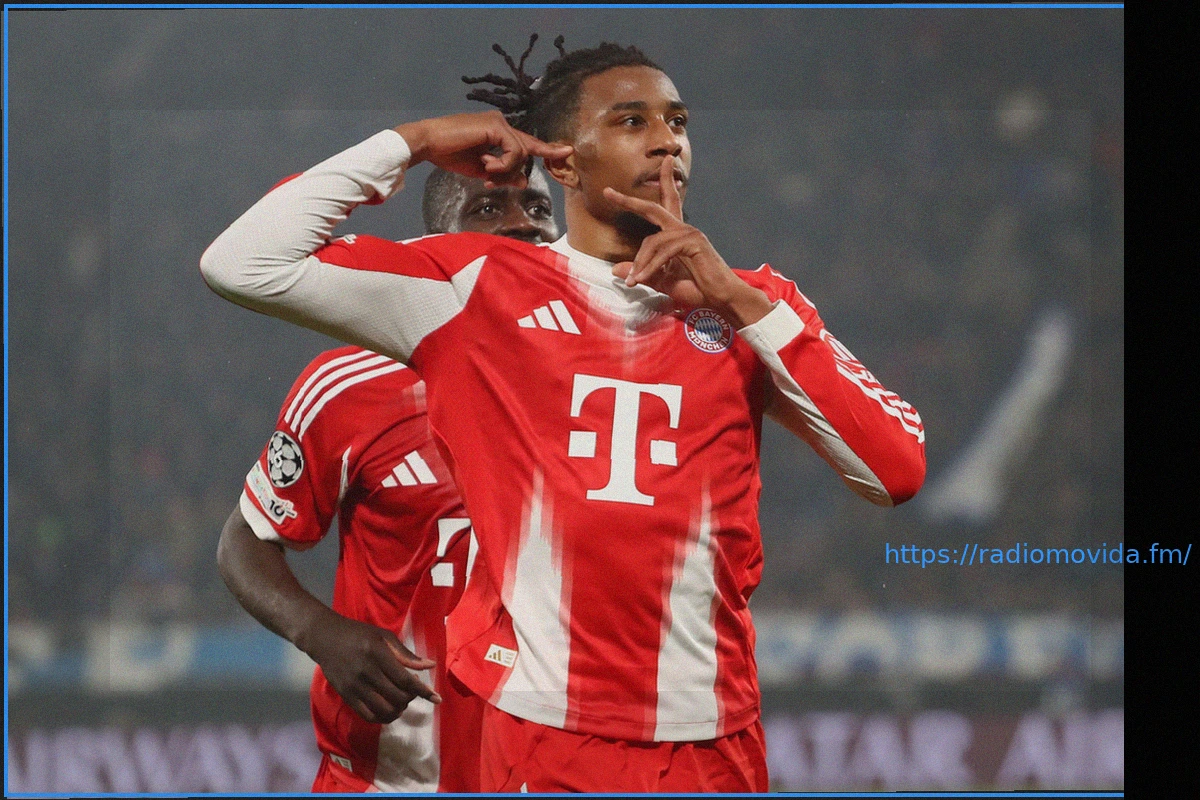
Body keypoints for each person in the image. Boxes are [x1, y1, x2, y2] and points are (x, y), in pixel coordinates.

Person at [202, 36, 926, 793]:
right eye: (632, 121)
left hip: (718, 736)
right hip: (547, 736)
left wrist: (737, 298)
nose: (666, 141)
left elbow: (896, 470)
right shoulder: (481, 287)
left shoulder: (754, 304)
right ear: (567, 164)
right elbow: (242, 262)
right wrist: (413, 142)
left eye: (677, 121)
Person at [215, 166, 560, 793]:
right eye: (488, 209)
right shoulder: (352, 383)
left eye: (538, 207)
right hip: (391, 780)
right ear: (436, 244)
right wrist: (322, 633)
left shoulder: (609, 383)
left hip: (552, 771)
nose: (522, 224)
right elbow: (245, 541)